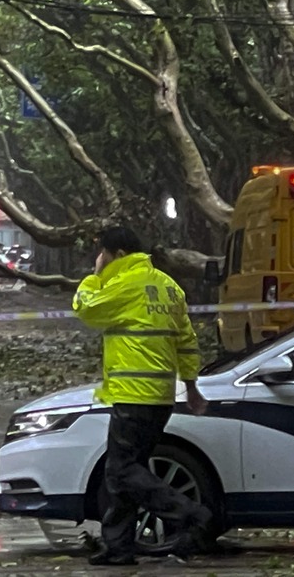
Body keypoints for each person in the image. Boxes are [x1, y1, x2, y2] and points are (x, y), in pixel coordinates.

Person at [72, 226, 215, 566]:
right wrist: (192, 386)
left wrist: (92, 278)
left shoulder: (126, 285)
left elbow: (87, 308)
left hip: (134, 395)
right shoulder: (168, 287)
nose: (100, 261)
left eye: (102, 254)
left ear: (118, 255)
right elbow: (186, 341)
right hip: (161, 396)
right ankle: (119, 547)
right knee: (124, 472)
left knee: (121, 472)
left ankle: (192, 514)